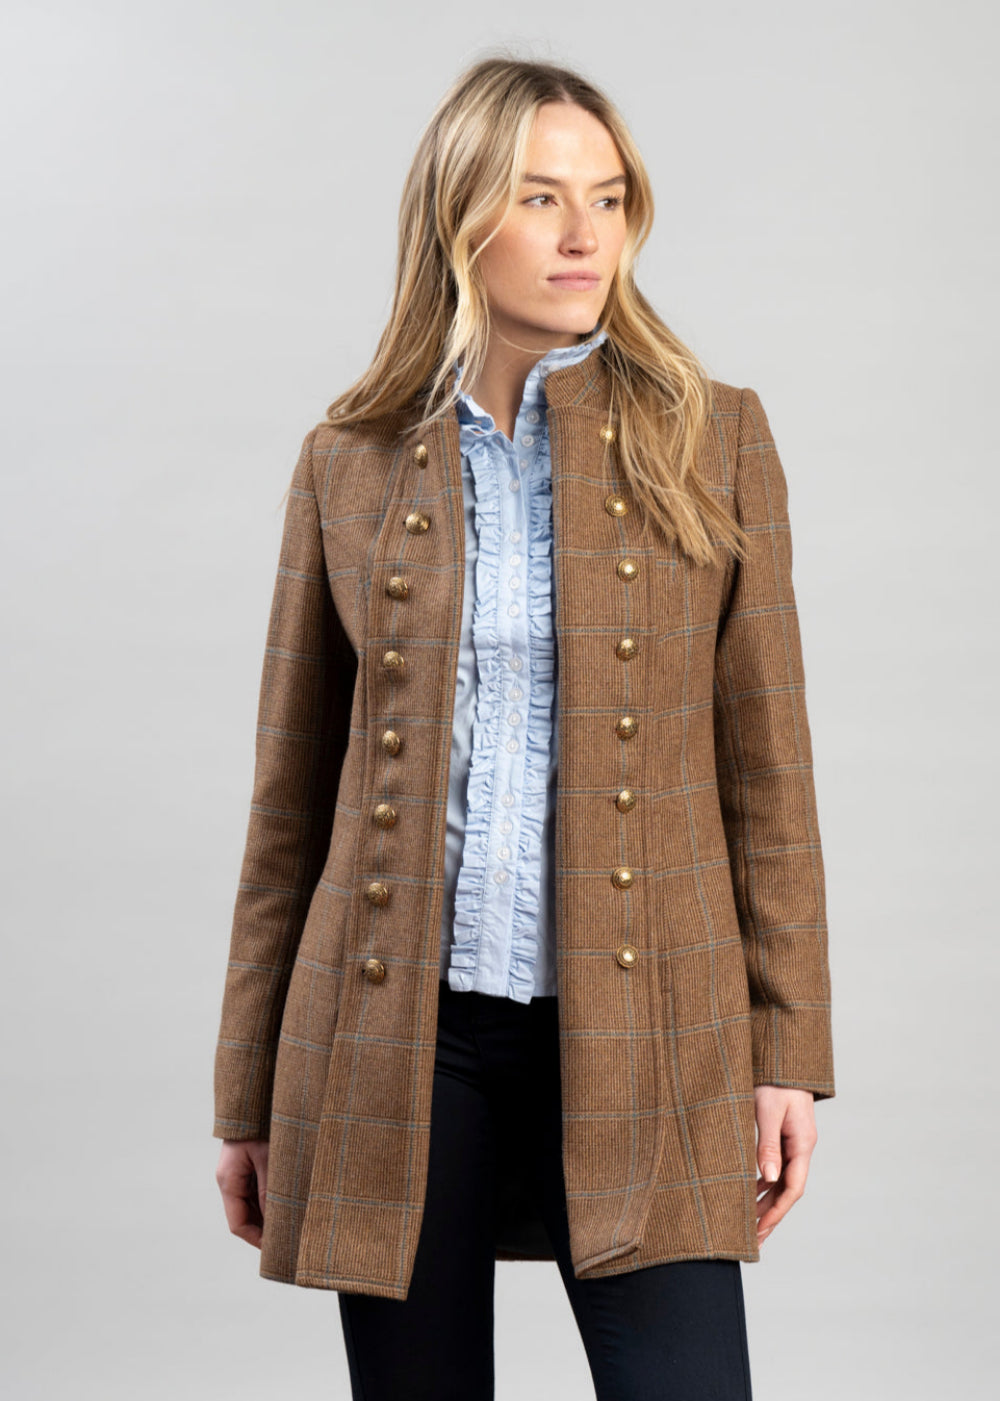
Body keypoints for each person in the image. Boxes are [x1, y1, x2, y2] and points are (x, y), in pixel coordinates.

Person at [213, 54, 835, 1401]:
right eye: (542, 197)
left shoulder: (714, 437)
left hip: (650, 1024)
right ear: (460, 215)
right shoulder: (349, 460)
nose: (583, 234)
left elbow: (769, 776)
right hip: (395, 1034)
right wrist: (249, 1091)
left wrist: (788, 1053)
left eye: (607, 199)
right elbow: (290, 806)